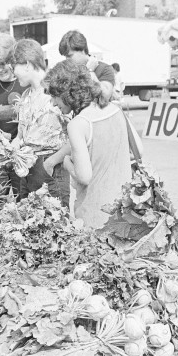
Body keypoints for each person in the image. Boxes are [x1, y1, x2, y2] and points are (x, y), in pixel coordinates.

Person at [46, 60, 136, 229]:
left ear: (68, 94)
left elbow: (84, 176)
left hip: (95, 216)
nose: (53, 102)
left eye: (55, 96)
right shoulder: (115, 109)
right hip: (125, 213)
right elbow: (138, 149)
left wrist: (66, 163)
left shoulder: (78, 124)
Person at [11, 38, 70, 205]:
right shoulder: (25, 96)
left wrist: (50, 163)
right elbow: (21, 136)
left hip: (50, 168)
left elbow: (76, 135)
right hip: (26, 169)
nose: (13, 74)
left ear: (27, 65)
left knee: (55, 225)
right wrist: (11, 147)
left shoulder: (57, 90)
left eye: (14, 67)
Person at [58, 30, 116, 103]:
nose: (67, 60)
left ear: (82, 50)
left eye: (70, 56)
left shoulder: (105, 69)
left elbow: (105, 97)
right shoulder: (68, 71)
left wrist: (89, 72)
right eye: (65, 57)